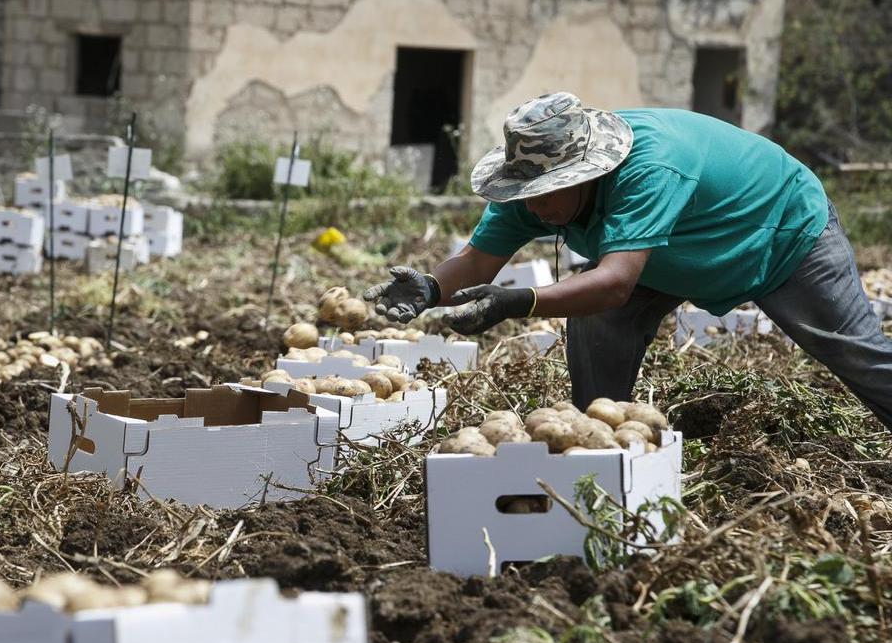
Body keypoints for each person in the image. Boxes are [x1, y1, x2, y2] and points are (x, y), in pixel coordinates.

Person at [363, 92, 892, 429]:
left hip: (777, 230)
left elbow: (614, 281)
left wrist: (519, 302)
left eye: (550, 193)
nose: (536, 206)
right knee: (593, 315)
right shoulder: (531, 193)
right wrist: (431, 289)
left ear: (587, 174)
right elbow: (477, 262)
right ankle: (598, 437)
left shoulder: (649, 168)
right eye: (529, 193)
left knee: (852, 352)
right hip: (668, 249)